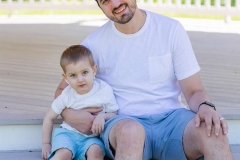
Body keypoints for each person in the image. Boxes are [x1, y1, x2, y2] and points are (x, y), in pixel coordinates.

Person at [55, 0, 233, 159]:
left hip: (172, 121)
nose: (116, 4)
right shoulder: (93, 44)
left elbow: (194, 91)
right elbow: (62, 90)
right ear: (100, 6)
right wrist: (69, 114)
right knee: (131, 132)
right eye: (106, 1)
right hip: (123, 122)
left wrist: (206, 107)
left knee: (214, 133)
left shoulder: (170, 29)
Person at [42, 45, 119, 160]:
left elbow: (114, 113)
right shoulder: (67, 95)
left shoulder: (103, 90)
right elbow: (49, 118)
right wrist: (46, 144)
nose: (80, 79)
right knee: (64, 154)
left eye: (84, 72)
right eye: (73, 75)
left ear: (93, 70)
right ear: (66, 78)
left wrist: (102, 116)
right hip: (68, 134)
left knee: (96, 152)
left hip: (92, 138)